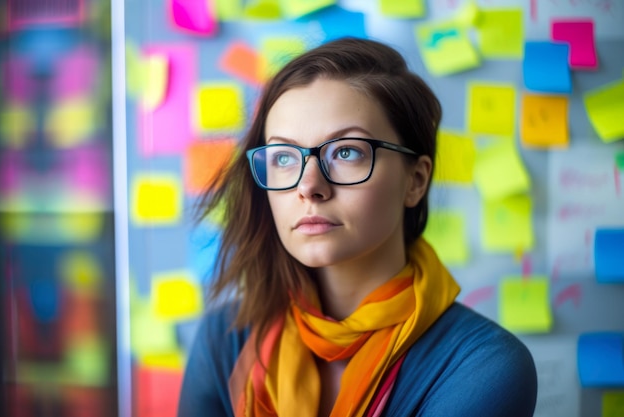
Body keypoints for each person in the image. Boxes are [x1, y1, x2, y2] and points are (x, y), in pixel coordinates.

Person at [178, 37, 537, 417]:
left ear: (415, 180)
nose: (309, 187)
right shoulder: (224, 338)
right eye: (284, 156)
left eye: (346, 152)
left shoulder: (484, 367)